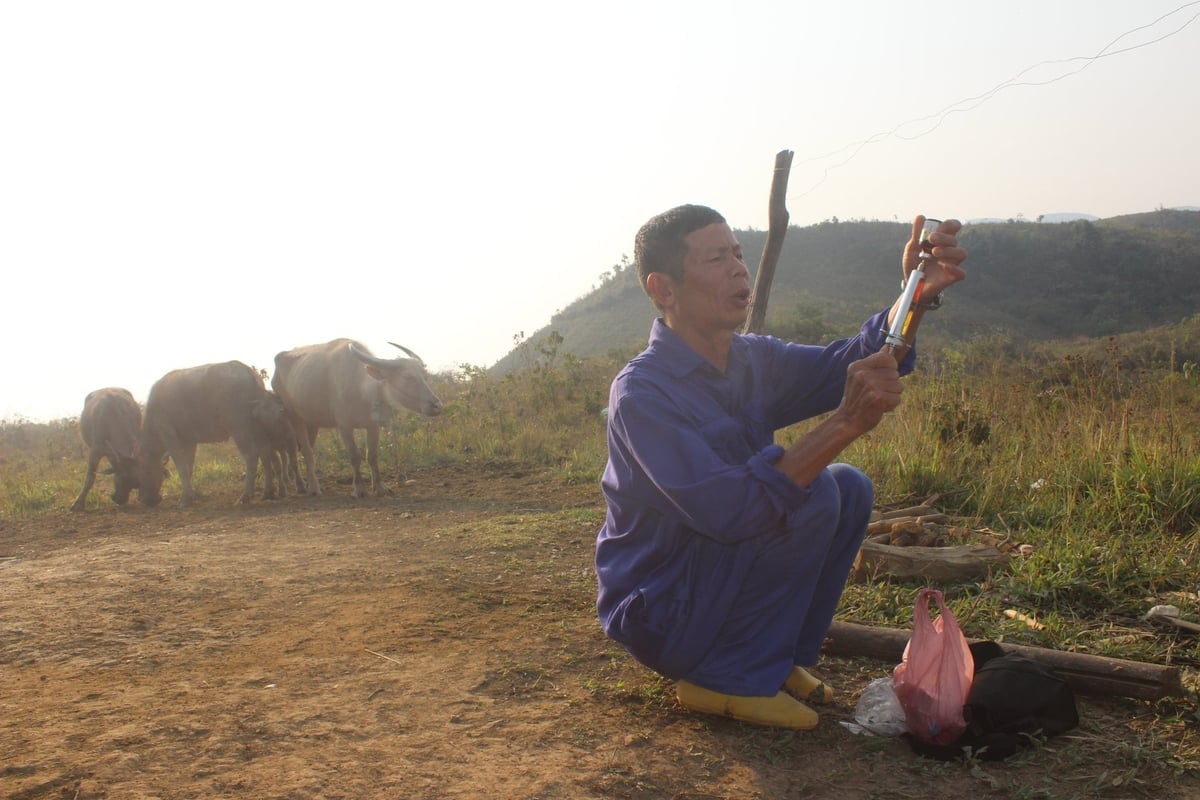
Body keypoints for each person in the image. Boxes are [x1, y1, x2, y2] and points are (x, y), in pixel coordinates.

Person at [594, 204, 968, 730]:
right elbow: (730, 511)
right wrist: (843, 424)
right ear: (664, 288)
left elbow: (851, 361)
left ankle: (772, 655)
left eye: (739, 254)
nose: (738, 269)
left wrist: (914, 297)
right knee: (810, 492)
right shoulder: (644, 394)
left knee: (848, 486)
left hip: (711, 581)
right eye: (715, 258)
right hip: (662, 608)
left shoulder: (751, 361)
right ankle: (727, 674)